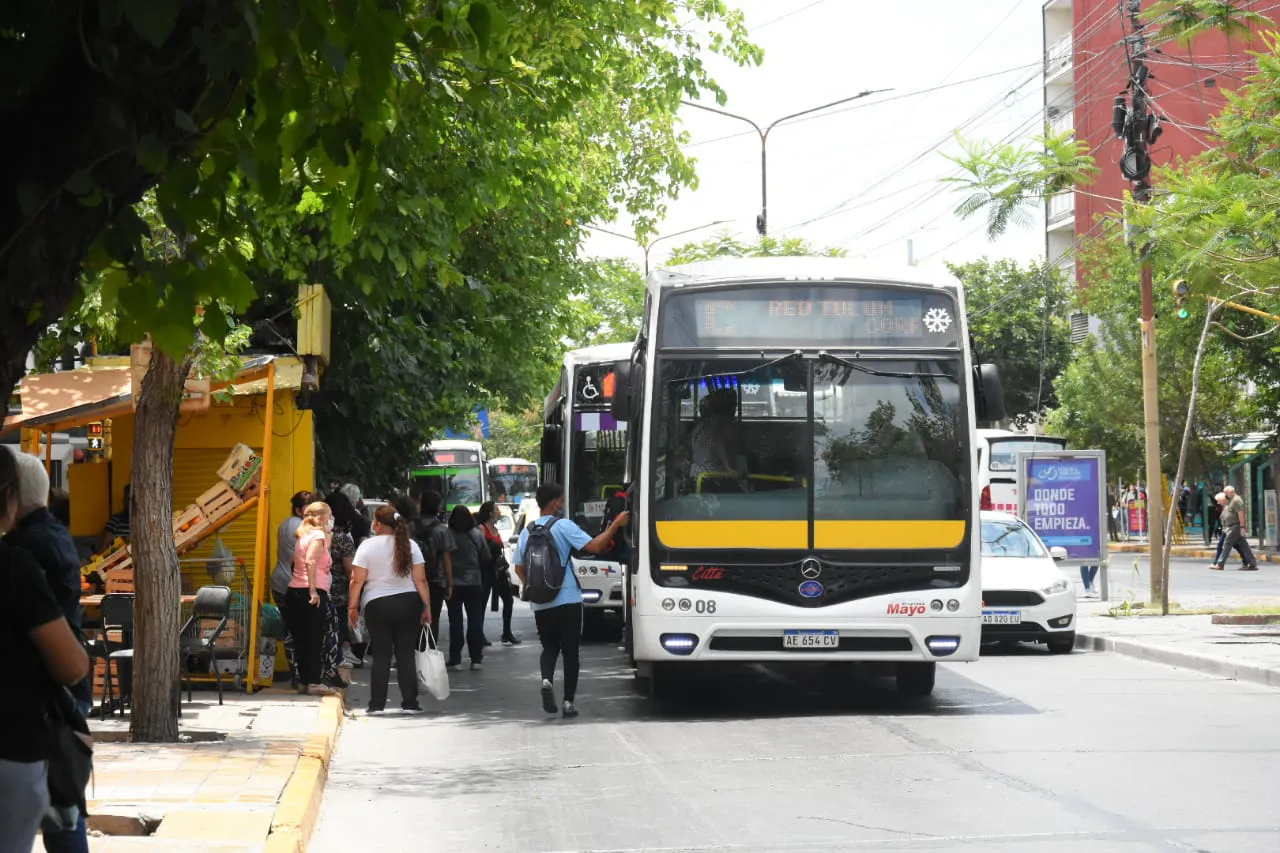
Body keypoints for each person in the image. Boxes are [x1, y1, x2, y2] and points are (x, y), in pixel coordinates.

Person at [0, 447, 91, 852]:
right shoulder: (29, 549)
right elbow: (72, 663)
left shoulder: (26, 551)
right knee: (62, 810)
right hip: (22, 729)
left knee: (63, 810)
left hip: (41, 708)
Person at [513, 483, 630, 718]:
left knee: (549, 647)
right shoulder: (563, 526)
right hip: (567, 599)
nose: (563, 504)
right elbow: (596, 546)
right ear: (554, 502)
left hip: (541, 603)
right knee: (570, 652)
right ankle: (568, 702)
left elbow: (518, 568)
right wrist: (616, 524)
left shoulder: (528, 531)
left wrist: (537, 588)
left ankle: (546, 680)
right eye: (562, 500)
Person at [348, 505, 431, 714]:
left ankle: (376, 705)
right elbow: (421, 580)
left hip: (377, 604)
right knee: (406, 654)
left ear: (376, 523)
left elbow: (356, 580)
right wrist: (426, 606)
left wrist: (352, 606)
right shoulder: (410, 545)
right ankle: (410, 703)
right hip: (409, 602)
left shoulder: (367, 546)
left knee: (382, 655)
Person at [285, 502, 337, 695]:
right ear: (321, 517)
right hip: (311, 592)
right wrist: (314, 591)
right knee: (315, 639)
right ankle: (314, 682)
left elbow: (300, 561)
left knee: (301, 640)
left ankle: (304, 680)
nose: (331, 518)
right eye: (329, 515)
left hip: (294, 590)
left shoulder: (304, 535)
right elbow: (311, 561)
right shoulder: (318, 535)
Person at [271, 491, 311, 688]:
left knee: (291, 628)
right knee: (300, 630)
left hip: (280, 581)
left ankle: (296, 673)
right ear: (299, 509)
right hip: (292, 584)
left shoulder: (286, 524)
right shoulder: (300, 527)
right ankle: (300, 674)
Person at [445, 505, 488, 670]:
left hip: (453, 583)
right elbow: (485, 556)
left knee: (455, 621)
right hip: (474, 582)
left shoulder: (447, 534)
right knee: (475, 620)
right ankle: (476, 658)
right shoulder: (477, 534)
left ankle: (456, 659)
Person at [477, 501, 520, 645]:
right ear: (490, 513)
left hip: (499, 570)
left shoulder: (495, 528)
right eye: (496, 509)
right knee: (482, 602)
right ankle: (479, 634)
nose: (499, 512)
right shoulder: (481, 528)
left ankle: (507, 632)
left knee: (508, 600)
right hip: (487, 570)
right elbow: (480, 549)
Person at [413, 491, 455, 635]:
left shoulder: (410, 527)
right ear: (437, 507)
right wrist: (449, 583)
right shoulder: (442, 530)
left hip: (413, 580)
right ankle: (429, 650)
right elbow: (446, 558)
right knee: (433, 618)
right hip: (436, 580)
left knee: (414, 618)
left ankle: (415, 651)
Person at [1212, 485, 1257, 571]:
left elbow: (1241, 513)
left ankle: (1220, 564)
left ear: (1231, 492)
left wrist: (1242, 527)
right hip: (1233, 526)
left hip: (1235, 526)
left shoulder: (1236, 500)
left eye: (1226, 493)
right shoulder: (1231, 500)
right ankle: (1252, 563)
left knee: (1227, 544)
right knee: (1244, 545)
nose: (1225, 495)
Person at [97, 483, 131, 552]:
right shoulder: (115, 521)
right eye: (128, 499)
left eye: (133, 499)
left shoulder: (145, 523)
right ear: (124, 501)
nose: (130, 503)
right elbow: (103, 549)